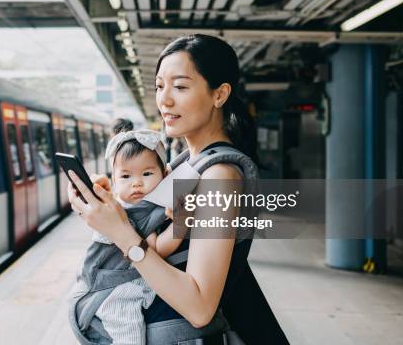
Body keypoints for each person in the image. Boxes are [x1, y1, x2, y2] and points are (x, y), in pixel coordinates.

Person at [68, 34, 287, 344]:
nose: (165, 100)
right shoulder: (188, 164)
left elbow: (199, 307)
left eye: (181, 87)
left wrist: (120, 234)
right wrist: (109, 203)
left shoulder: (219, 177)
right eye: (160, 86)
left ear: (219, 94)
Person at [77, 121, 184, 344]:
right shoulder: (132, 210)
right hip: (119, 290)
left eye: (146, 173)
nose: (136, 183)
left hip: (106, 279)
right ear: (114, 181)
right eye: (125, 177)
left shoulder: (146, 205)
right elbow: (156, 250)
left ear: (164, 175)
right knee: (129, 330)